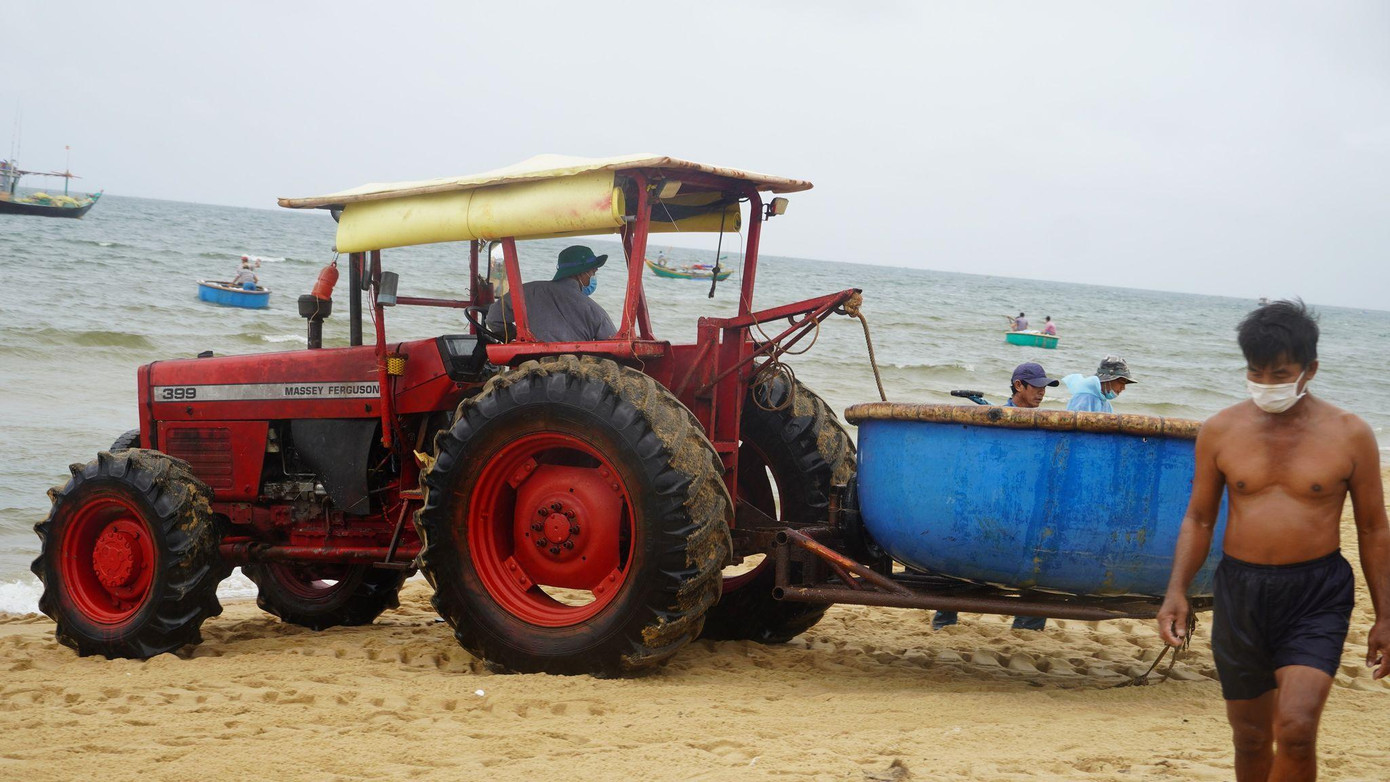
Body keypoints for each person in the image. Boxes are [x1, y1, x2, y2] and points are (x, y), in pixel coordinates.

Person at [1156, 300, 1389, 780]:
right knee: (1250, 737)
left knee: (1297, 730)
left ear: (1310, 370)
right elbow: (1199, 519)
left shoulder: (1350, 435)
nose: (1266, 384)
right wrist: (1176, 591)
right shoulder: (1221, 430)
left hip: (1316, 594)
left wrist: (1386, 614)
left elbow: (1373, 527)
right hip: (1240, 592)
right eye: (1255, 373)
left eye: (1279, 374)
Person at [933, 362, 1060, 632]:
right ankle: (945, 621)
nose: (1042, 392)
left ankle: (1028, 627)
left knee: (1038, 564)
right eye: (1037, 387)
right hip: (995, 505)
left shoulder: (1045, 422)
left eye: (1044, 387)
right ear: (1019, 386)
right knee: (968, 558)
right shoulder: (997, 419)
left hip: (1029, 508)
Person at [486, 245, 616, 342]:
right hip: (576, 368)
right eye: (593, 272)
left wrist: (521, 337)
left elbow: (493, 319)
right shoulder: (594, 310)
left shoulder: (527, 291)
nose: (593, 277)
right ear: (582, 273)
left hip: (530, 364)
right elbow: (613, 345)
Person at [1063, 355, 1136, 413]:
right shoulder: (1084, 399)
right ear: (1108, 380)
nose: (1123, 388)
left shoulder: (1105, 403)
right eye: (1121, 382)